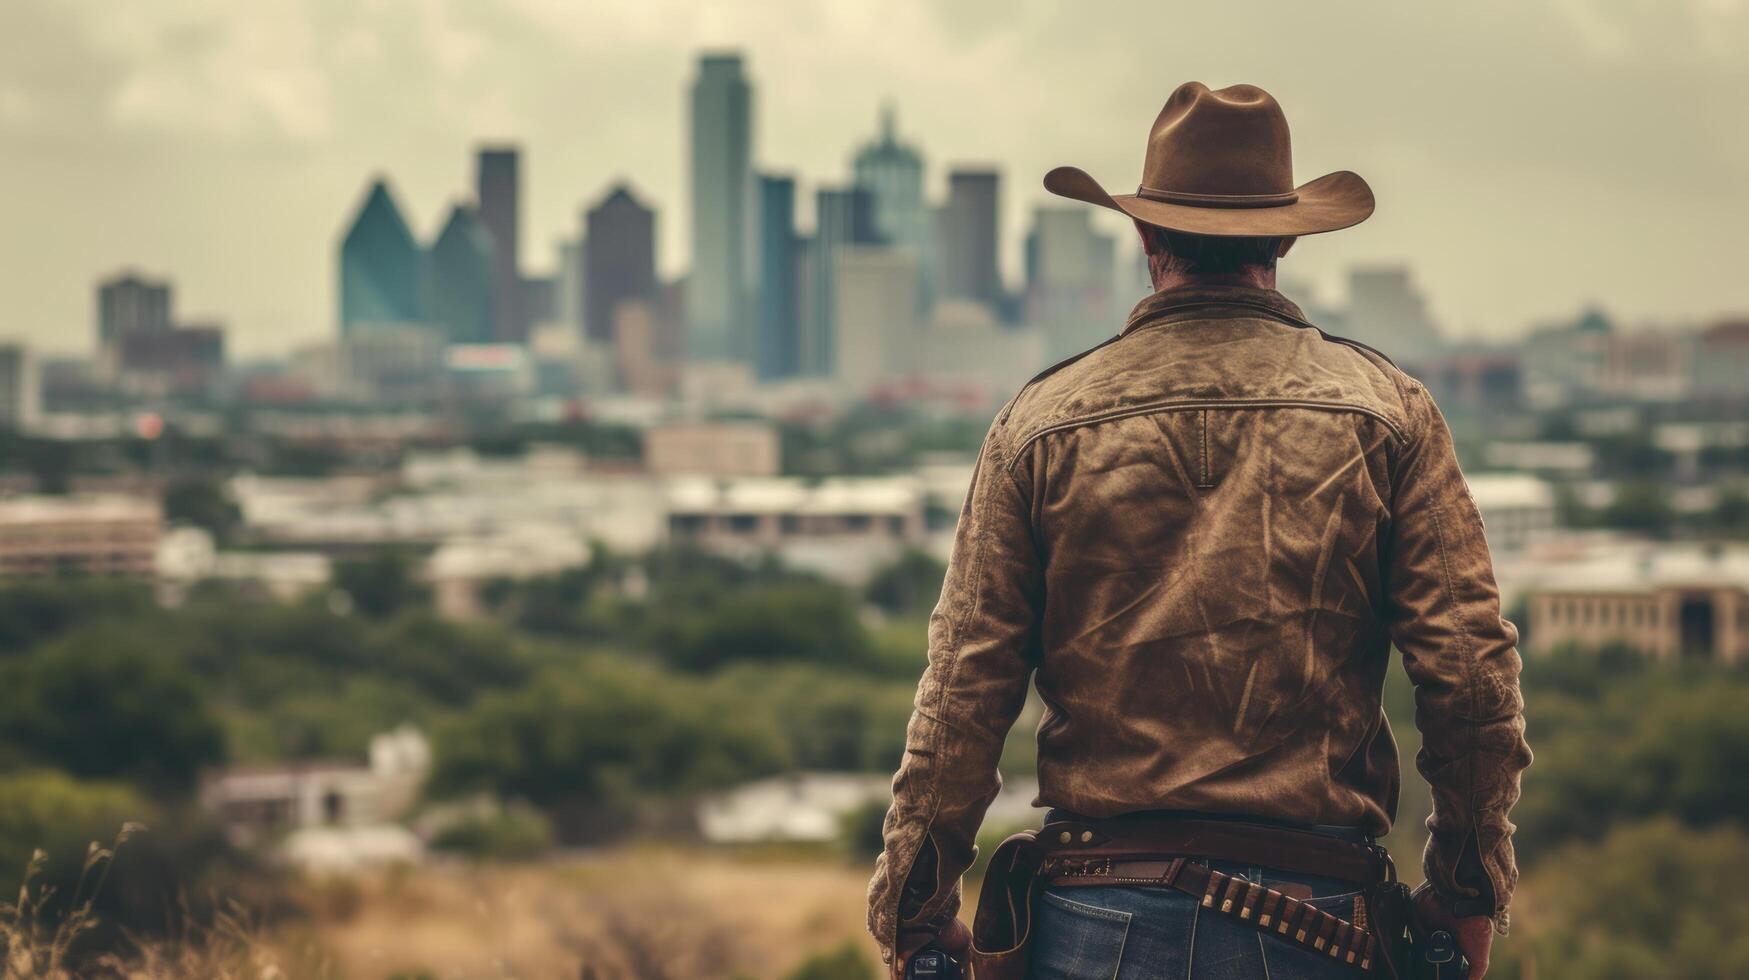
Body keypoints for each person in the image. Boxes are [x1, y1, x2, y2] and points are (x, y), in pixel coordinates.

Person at [867, 82, 1530, 979]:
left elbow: (963, 693)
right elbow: (1471, 676)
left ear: (1145, 235)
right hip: (1322, 925)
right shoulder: (1388, 414)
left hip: (1091, 924)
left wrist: (914, 908)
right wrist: (1465, 887)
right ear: (1287, 236)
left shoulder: (1040, 422)